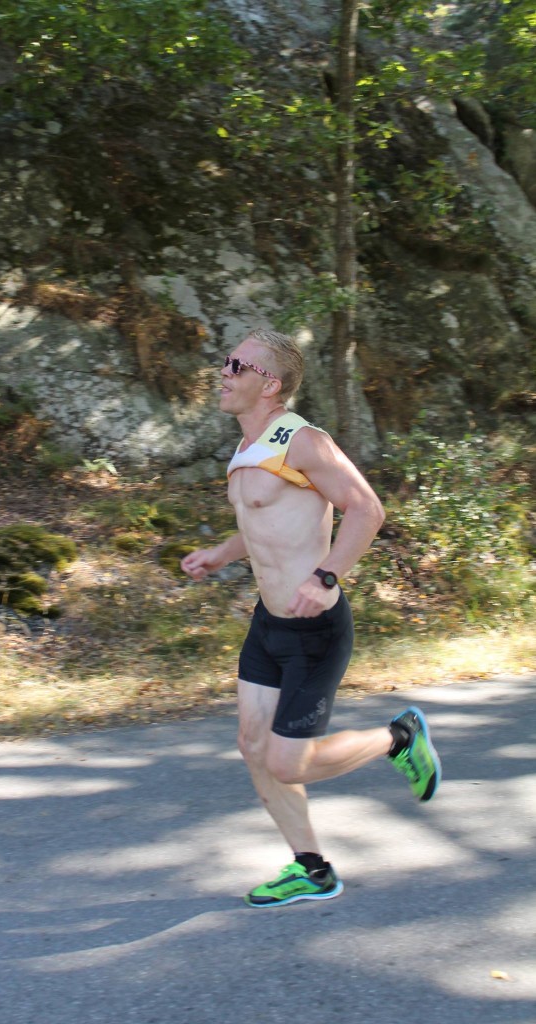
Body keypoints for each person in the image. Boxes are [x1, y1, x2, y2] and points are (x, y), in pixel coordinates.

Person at [181, 328, 441, 908]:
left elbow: (366, 508)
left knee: (286, 761)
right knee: (253, 745)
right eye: (225, 361)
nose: (223, 371)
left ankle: (399, 738)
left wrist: (327, 578)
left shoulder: (303, 441)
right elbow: (264, 530)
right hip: (269, 625)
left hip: (315, 629)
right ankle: (312, 868)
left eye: (237, 365)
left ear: (269, 385)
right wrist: (219, 555)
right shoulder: (248, 451)